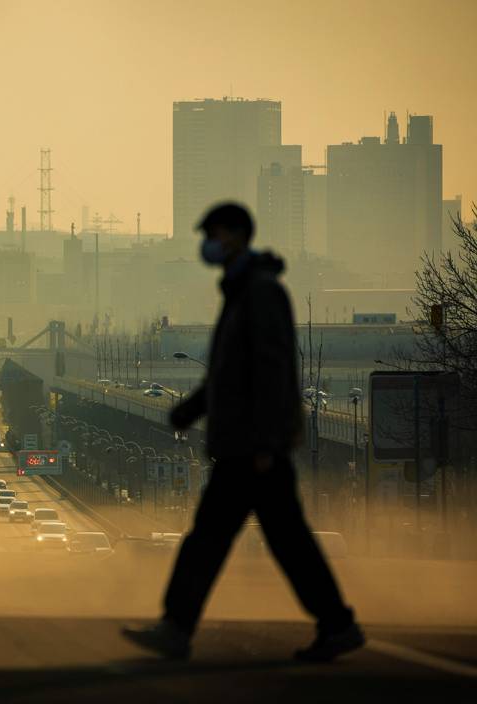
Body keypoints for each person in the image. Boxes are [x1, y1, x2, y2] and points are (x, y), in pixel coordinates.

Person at [122, 203, 364, 662]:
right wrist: (188, 412)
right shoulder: (243, 293)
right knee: (275, 542)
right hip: (246, 446)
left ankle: (176, 628)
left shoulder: (260, 293)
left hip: (253, 449)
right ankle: (336, 624)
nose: (207, 245)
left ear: (235, 236)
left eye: (212, 234)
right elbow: (228, 376)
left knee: (215, 539)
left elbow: (271, 373)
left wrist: (267, 442)